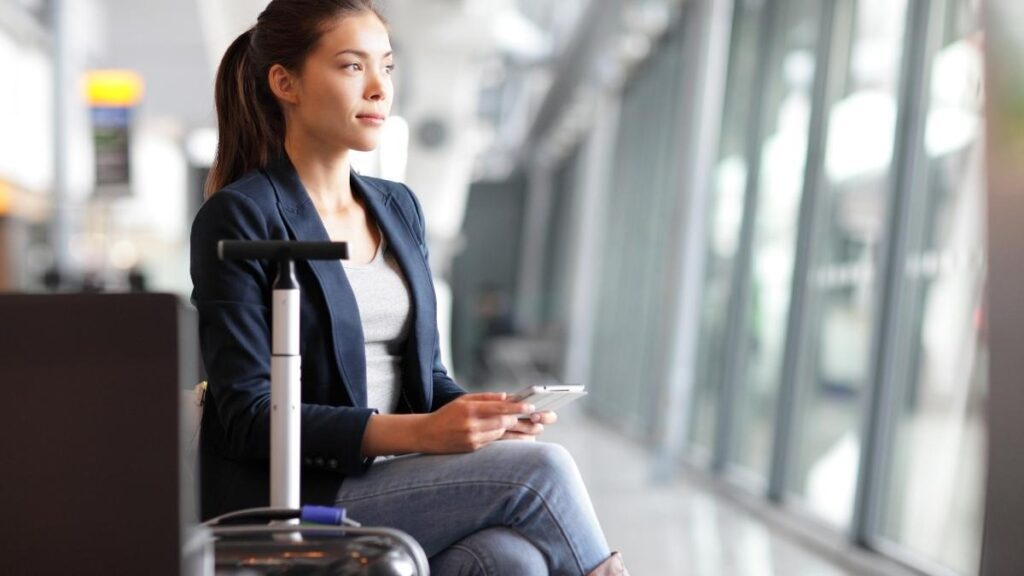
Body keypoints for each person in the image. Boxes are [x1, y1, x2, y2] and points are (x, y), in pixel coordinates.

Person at [189, 1, 630, 574]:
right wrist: (424, 431)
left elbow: (425, 375)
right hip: (301, 496)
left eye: (388, 67)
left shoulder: (397, 208)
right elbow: (251, 416)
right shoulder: (241, 217)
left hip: (393, 479)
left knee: (509, 559)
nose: (379, 88)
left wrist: (481, 416)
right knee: (542, 472)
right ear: (285, 83)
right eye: (352, 66)